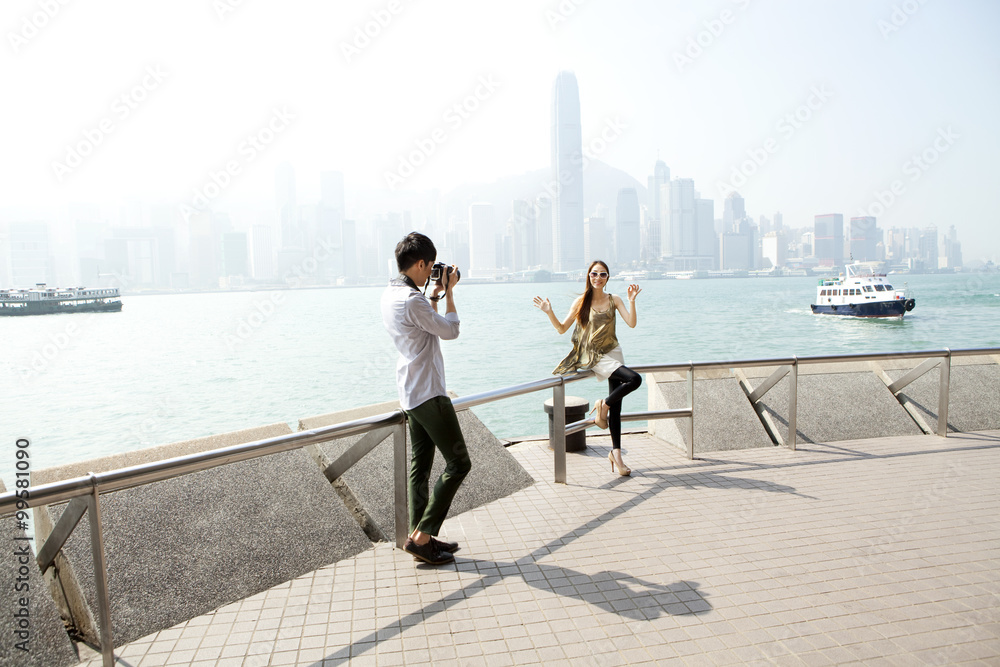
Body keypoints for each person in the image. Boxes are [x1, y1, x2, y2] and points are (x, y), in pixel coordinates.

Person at [381, 232, 471, 565]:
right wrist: (448, 294)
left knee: (421, 467)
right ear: (420, 263)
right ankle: (421, 536)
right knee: (460, 463)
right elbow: (449, 331)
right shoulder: (411, 300)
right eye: (430, 267)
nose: (432, 271)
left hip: (409, 393)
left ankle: (423, 538)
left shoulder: (391, 294)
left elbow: (424, 326)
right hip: (430, 393)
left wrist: (432, 295)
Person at [533, 260, 642, 476]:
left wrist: (631, 301)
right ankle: (603, 405)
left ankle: (616, 455)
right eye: (594, 274)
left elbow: (631, 323)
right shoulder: (581, 302)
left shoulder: (615, 299)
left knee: (617, 409)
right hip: (595, 356)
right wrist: (549, 312)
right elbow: (562, 329)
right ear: (588, 276)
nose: (598, 278)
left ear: (607, 278)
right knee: (635, 379)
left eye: (602, 274)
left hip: (614, 351)